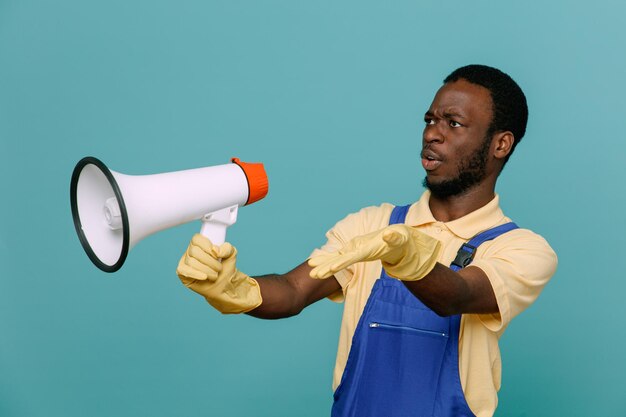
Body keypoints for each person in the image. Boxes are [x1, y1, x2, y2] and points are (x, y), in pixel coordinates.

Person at [176, 64, 558, 417]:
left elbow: (457, 294)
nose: (431, 133)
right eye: (430, 119)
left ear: (501, 144)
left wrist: (409, 256)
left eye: (453, 123)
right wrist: (235, 287)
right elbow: (293, 290)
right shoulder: (372, 224)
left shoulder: (520, 249)